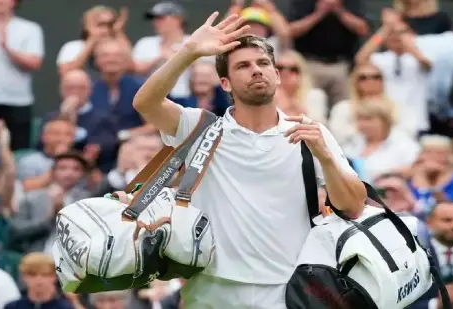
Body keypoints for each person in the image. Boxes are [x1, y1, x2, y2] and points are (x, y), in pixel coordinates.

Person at [131, 12, 366, 309]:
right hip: (211, 290)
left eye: (264, 63)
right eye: (244, 66)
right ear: (226, 84)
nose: (256, 70)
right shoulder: (200, 128)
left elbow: (354, 205)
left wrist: (327, 158)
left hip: (289, 290)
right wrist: (189, 51)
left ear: (277, 75)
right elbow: (145, 103)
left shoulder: (310, 132)